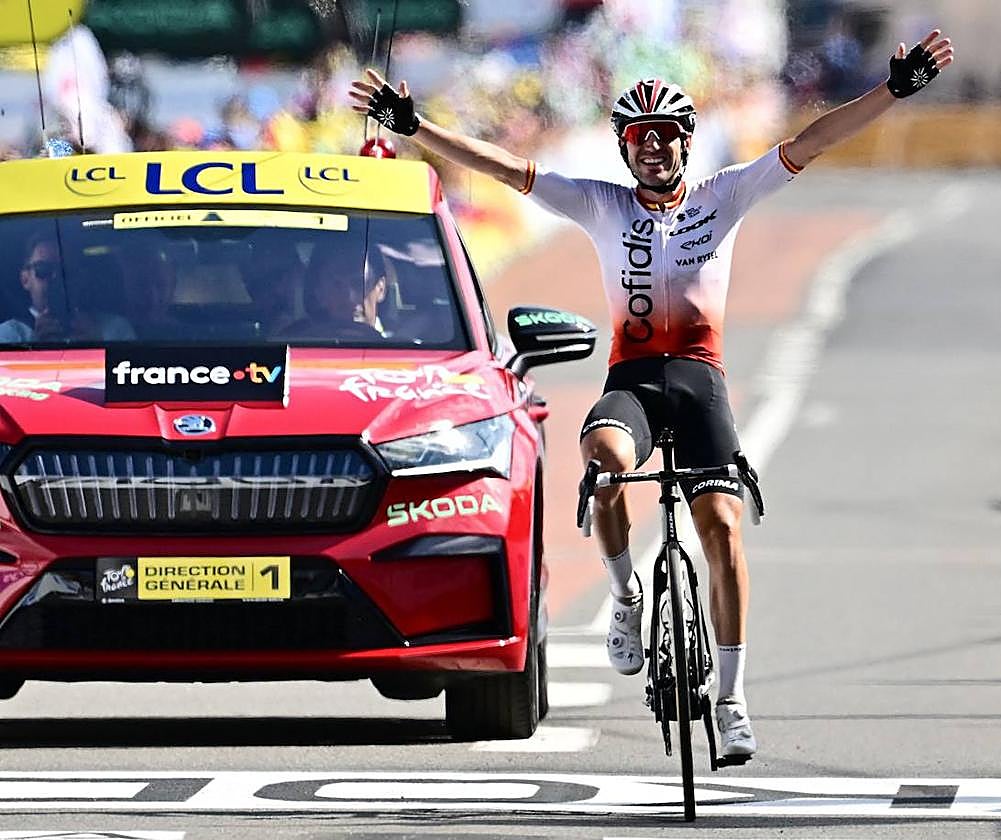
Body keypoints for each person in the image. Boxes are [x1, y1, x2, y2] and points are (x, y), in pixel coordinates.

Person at [350, 29, 953, 761]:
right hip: (633, 382)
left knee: (724, 530)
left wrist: (891, 90)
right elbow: (508, 169)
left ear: (687, 143)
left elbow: (814, 138)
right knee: (602, 462)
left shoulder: (725, 196)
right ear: (625, 148)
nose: (654, 149)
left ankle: (731, 700)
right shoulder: (601, 204)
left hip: (701, 382)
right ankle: (627, 603)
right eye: (640, 138)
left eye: (666, 137)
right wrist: (416, 128)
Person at [0, 237, 134, 343]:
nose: (55, 277)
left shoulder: (116, 330)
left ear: (80, 278)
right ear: (25, 279)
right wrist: (34, 348)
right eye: (43, 269)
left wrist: (98, 346)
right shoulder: (9, 335)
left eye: (66, 271)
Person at [277, 245, 388, 340]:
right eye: (337, 285)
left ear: (381, 288)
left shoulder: (403, 350)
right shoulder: (293, 344)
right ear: (319, 293)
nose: (349, 298)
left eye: (359, 284)